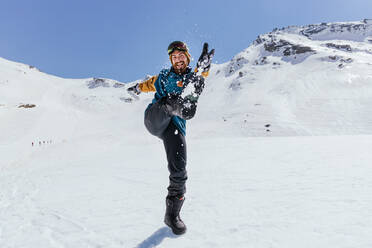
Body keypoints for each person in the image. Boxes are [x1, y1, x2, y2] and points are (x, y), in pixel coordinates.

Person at [128, 41, 214, 235]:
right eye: (174, 57)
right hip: (155, 117)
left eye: (181, 56)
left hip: (174, 127)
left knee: (179, 170)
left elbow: (201, 74)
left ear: (187, 57)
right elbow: (148, 84)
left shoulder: (194, 76)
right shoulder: (165, 76)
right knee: (171, 101)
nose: (177, 59)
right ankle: (182, 106)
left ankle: (171, 216)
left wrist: (203, 67)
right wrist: (136, 88)